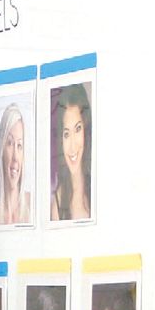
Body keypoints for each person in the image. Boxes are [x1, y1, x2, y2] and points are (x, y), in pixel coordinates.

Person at [49, 82, 92, 222]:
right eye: (66, 134)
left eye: (78, 129)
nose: (72, 147)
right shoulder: (57, 206)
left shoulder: (98, 186)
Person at [0, 100, 30, 226]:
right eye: (9, 143)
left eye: (19, 145)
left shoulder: (34, 207)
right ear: (1, 149)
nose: (15, 157)